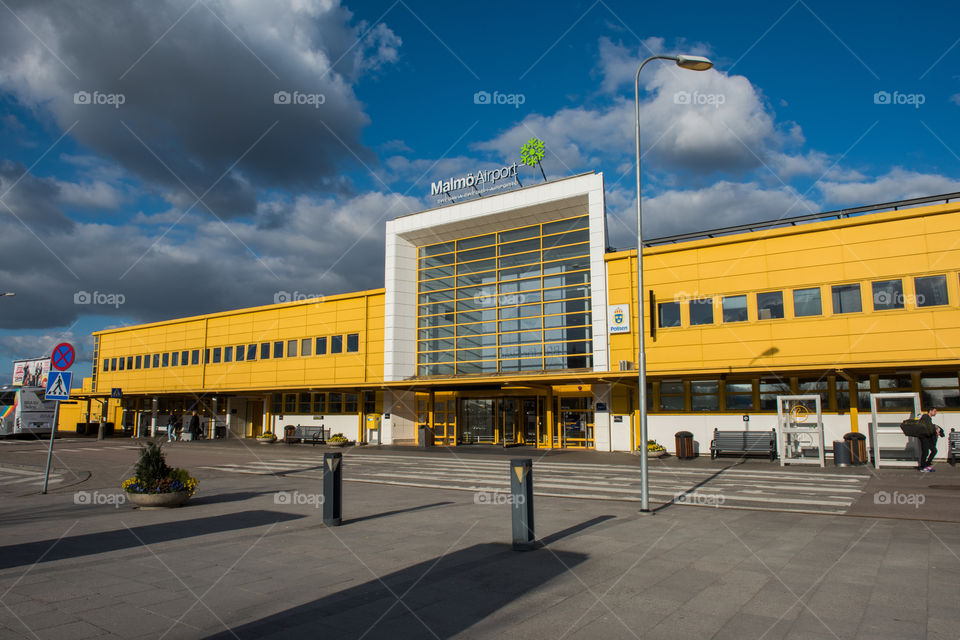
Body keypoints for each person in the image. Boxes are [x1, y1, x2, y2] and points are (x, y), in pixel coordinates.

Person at [917, 407, 944, 472]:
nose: (935, 413)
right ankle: (922, 467)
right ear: (930, 411)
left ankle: (927, 464)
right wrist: (935, 430)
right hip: (924, 437)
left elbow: (929, 427)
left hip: (927, 438)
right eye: (934, 411)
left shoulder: (928, 418)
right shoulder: (925, 417)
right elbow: (927, 427)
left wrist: (935, 430)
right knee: (925, 452)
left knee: (934, 450)